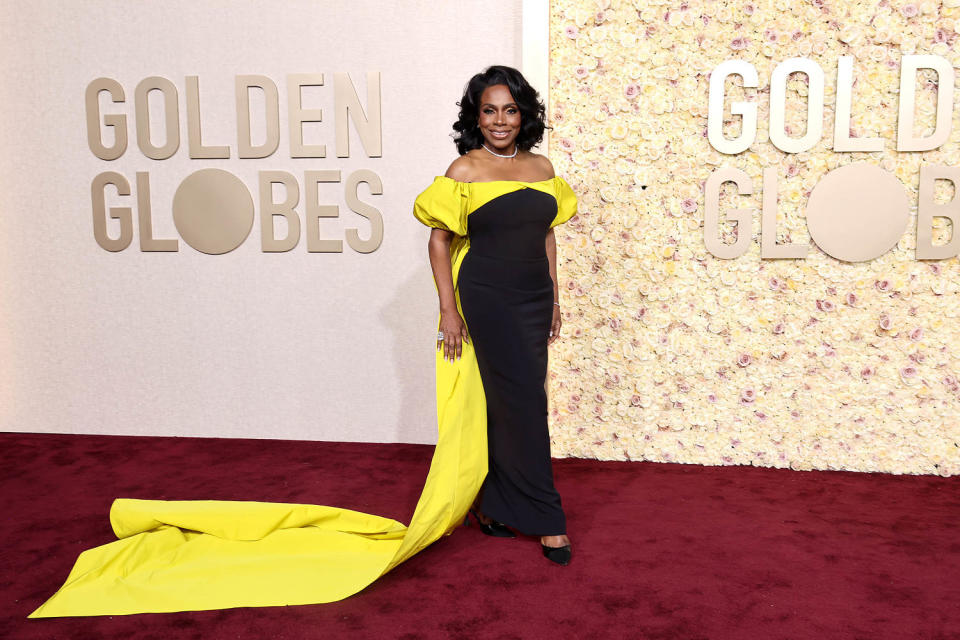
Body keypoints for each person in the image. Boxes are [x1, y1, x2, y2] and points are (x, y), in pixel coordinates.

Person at [412, 65, 578, 565]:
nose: (500, 120)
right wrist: (449, 311)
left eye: (510, 109)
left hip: (531, 295)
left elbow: (546, 233)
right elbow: (439, 240)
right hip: (485, 296)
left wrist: (552, 294)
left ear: (523, 114)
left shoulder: (543, 169)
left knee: (509, 404)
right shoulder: (464, 170)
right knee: (527, 403)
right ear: (476, 117)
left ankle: (494, 506)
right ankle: (549, 520)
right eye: (490, 110)